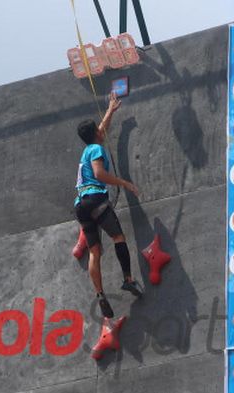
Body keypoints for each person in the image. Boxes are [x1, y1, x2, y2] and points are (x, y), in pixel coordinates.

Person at [74, 92, 144, 318]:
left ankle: (100, 294)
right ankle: (128, 279)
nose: (101, 131)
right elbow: (99, 173)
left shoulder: (87, 149)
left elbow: (100, 132)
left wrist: (110, 110)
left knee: (95, 251)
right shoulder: (96, 150)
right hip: (96, 198)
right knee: (118, 238)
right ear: (95, 133)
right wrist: (124, 183)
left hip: (80, 204)